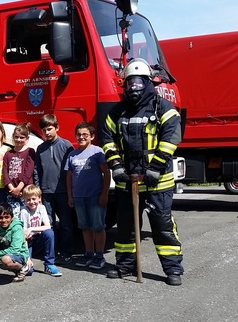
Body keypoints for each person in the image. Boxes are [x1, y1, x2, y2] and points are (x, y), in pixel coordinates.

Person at [101, 58, 184, 286]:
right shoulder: (117, 112)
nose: (133, 88)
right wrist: (116, 166)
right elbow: (107, 140)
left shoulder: (163, 108)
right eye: (129, 83)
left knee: (162, 225)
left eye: (138, 83)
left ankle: (172, 269)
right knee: (127, 227)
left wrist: (155, 168)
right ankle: (126, 266)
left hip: (157, 181)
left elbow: (171, 139)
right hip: (127, 180)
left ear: (148, 82)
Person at [65, 122, 109, 270]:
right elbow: (69, 176)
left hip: (95, 196)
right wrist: (70, 196)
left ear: (92, 136)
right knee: (85, 226)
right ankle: (89, 253)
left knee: (98, 226)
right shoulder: (72, 154)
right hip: (78, 197)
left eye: (85, 134)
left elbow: (106, 173)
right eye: (78, 134)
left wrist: (104, 193)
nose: (81, 137)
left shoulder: (97, 152)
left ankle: (99, 255)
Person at [35, 114, 75, 264]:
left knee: (65, 224)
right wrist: (38, 190)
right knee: (48, 224)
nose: (47, 132)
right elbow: (37, 170)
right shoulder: (40, 148)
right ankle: (50, 252)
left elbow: (71, 171)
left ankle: (67, 253)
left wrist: (71, 192)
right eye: (44, 130)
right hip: (46, 193)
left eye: (50, 129)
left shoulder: (66, 146)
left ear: (57, 127)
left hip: (63, 192)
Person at [19, 185, 62, 277]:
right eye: (28, 200)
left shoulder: (41, 208)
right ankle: (22, 262)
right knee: (29, 271)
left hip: (38, 239)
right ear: (24, 200)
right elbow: (24, 236)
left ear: (39, 198)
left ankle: (49, 264)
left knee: (49, 233)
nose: (31, 202)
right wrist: (27, 259)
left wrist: (31, 229)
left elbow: (47, 226)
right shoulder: (24, 212)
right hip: (27, 242)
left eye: (34, 199)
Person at [2, 122, 36, 217]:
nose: (18, 140)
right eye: (16, 137)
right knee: (13, 216)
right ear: (13, 136)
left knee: (27, 216)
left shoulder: (30, 152)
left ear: (27, 138)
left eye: (22, 137)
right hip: (11, 192)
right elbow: (5, 173)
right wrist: (12, 189)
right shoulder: (8, 154)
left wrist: (19, 188)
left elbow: (28, 173)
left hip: (25, 191)